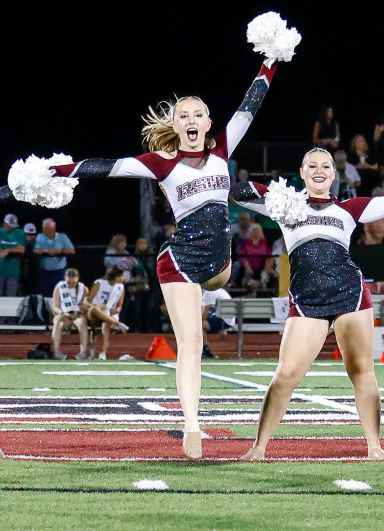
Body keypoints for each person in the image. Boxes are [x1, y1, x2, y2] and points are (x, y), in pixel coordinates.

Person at [0, 44, 286, 458]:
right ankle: (192, 425)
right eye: (182, 114)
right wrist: (40, 175)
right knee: (191, 341)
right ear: (174, 124)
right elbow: (101, 166)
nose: (190, 119)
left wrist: (271, 57)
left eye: (197, 113)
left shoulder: (223, 149)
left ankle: (246, 195)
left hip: (220, 265)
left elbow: (252, 102)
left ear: (208, 122)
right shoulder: (162, 163)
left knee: (236, 209)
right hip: (180, 260)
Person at [231, 148, 384, 461]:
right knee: (286, 375)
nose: (319, 170)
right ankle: (259, 447)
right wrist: (275, 192)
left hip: (350, 295)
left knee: (363, 371)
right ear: (302, 172)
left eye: (325, 166)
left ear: (334, 175)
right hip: (307, 300)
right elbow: (238, 193)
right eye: (311, 166)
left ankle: (375, 447)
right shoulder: (284, 205)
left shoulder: (350, 209)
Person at [85, 266, 129, 360]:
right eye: (122, 276)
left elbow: (119, 306)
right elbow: (88, 300)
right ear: (116, 277)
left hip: (110, 315)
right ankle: (116, 323)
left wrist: (116, 310)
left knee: (106, 324)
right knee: (94, 308)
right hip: (95, 314)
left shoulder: (121, 287)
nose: (123, 278)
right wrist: (98, 307)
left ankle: (103, 353)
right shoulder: (99, 283)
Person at [50, 267, 89, 360]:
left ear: (78, 279)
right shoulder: (59, 287)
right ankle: (56, 352)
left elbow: (86, 306)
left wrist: (79, 312)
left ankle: (82, 352)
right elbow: (55, 307)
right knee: (57, 323)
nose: (71, 285)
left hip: (77, 314)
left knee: (82, 324)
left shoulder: (83, 288)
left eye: (73, 283)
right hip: (64, 313)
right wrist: (63, 313)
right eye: (69, 283)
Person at [33, 218, 75, 297]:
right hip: (45, 271)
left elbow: (72, 251)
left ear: (53, 228)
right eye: (43, 228)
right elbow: (36, 250)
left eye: (46, 228)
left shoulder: (62, 237)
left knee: (59, 293)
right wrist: (47, 251)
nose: (44, 230)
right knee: (46, 294)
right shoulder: (40, 237)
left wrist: (61, 251)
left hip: (59, 271)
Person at [0, 213, 25, 297]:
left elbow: (21, 249)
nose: (11, 228)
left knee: (11, 298)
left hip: (13, 273)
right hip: (0, 271)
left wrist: (7, 250)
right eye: (9, 226)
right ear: (4, 223)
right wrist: (14, 249)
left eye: (13, 226)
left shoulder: (20, 233)